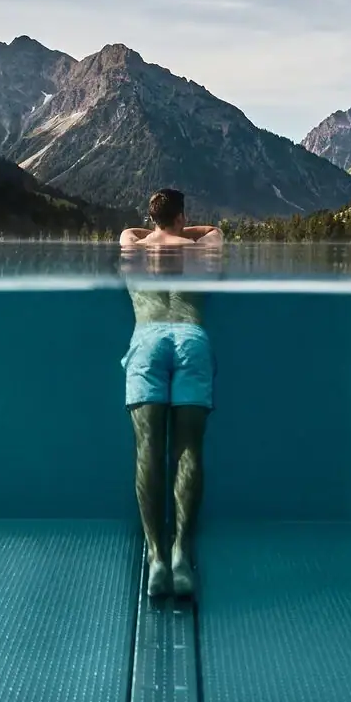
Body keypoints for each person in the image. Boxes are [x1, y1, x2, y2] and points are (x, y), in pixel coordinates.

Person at [118, 189, 223, 600]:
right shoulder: (202, 247)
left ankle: (156, 556)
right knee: (189, 449)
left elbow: (130, 231)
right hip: (191, 337)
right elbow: (213, 231)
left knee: (148, 448)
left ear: (151, 216)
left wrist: (160, 228)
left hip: (146, 338)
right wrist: (182, 228)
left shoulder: (134, 245)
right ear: (182, 216)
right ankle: (181, 550)